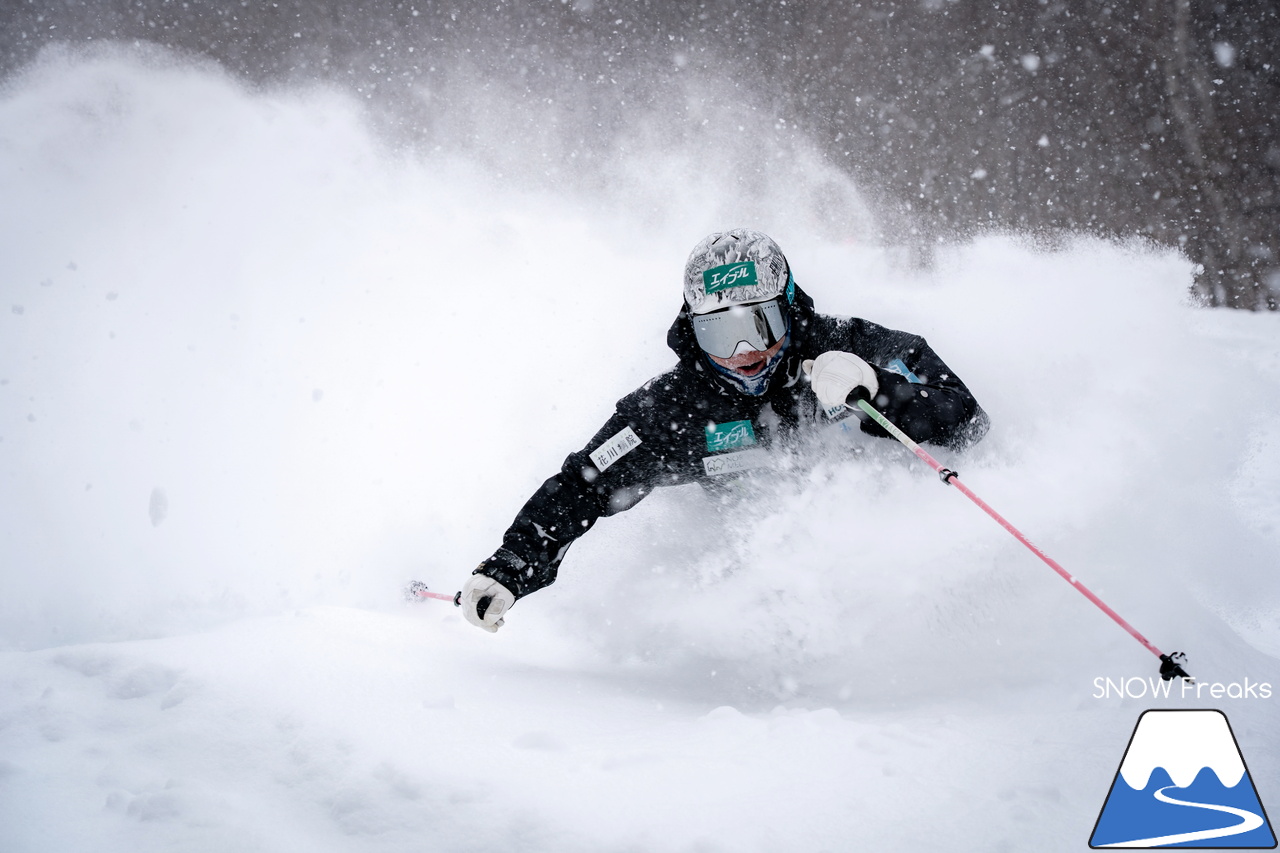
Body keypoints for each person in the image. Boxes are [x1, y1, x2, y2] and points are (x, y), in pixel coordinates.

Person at [460, 229, 989, 632]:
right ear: (693, 328)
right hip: (776, 579)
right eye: (719, 333)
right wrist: (512, 567)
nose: (743, 354)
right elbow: (584, 484)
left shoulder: (854, 349)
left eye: (758, 326)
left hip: (905, 556)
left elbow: (966, 417)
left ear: (789, 310)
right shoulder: (671, 410)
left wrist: (880, 389)